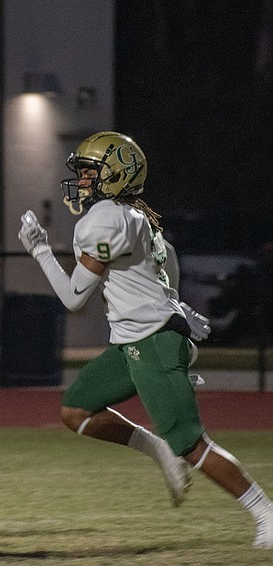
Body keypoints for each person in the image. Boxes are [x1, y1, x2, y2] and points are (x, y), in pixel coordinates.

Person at [17, 130, 273, 548]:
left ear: (113, 175)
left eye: (88, 172)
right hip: (136, 340)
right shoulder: (138, 217)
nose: (81, 181)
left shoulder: (104, 220)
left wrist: (41, 250)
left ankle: (266, 512)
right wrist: (176, 308)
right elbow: (165, 266)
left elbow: (74, 298)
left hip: (151, 342)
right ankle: (158, 448)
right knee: (75, 410)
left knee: (191, 443)